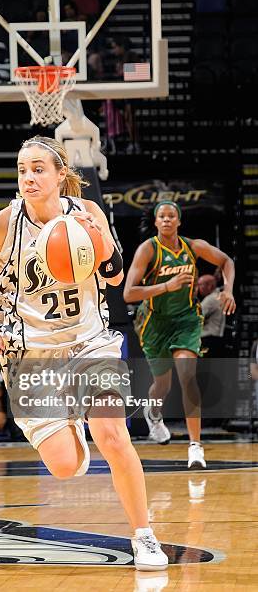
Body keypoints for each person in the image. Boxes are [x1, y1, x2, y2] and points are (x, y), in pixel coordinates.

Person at [0, 135, 168, 571]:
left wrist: (100, 241)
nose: (28, 177)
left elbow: (113, 279)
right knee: (65, 466)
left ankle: (144, 536)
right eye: (22, 170)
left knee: (112, 434)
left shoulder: (86, 212)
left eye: (38, 169)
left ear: (60, 176)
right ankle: (70, 423)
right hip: (31, 354)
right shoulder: (1, 225)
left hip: (90, 341)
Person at [124, 201, 236, 469]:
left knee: (187, 375)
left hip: (186, 320)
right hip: (155, 323)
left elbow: (226, 261)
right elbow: (129, 293)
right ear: (155, 222)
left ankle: (195, 447)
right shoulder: (147, 250)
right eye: (161, 216)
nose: (165, 220)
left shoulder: (192, 246)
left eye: (170, 216)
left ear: (178, 221)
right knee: (162, 385)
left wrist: (228, 289)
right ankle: (154, 413)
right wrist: (167, 285)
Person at [198, 273, 226, 358]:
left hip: (208, 339)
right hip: (215, 340)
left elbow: (196, 316)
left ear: (210, 286)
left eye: (200, 285)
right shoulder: (218, 296)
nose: (198, 288)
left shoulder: (211, 299)